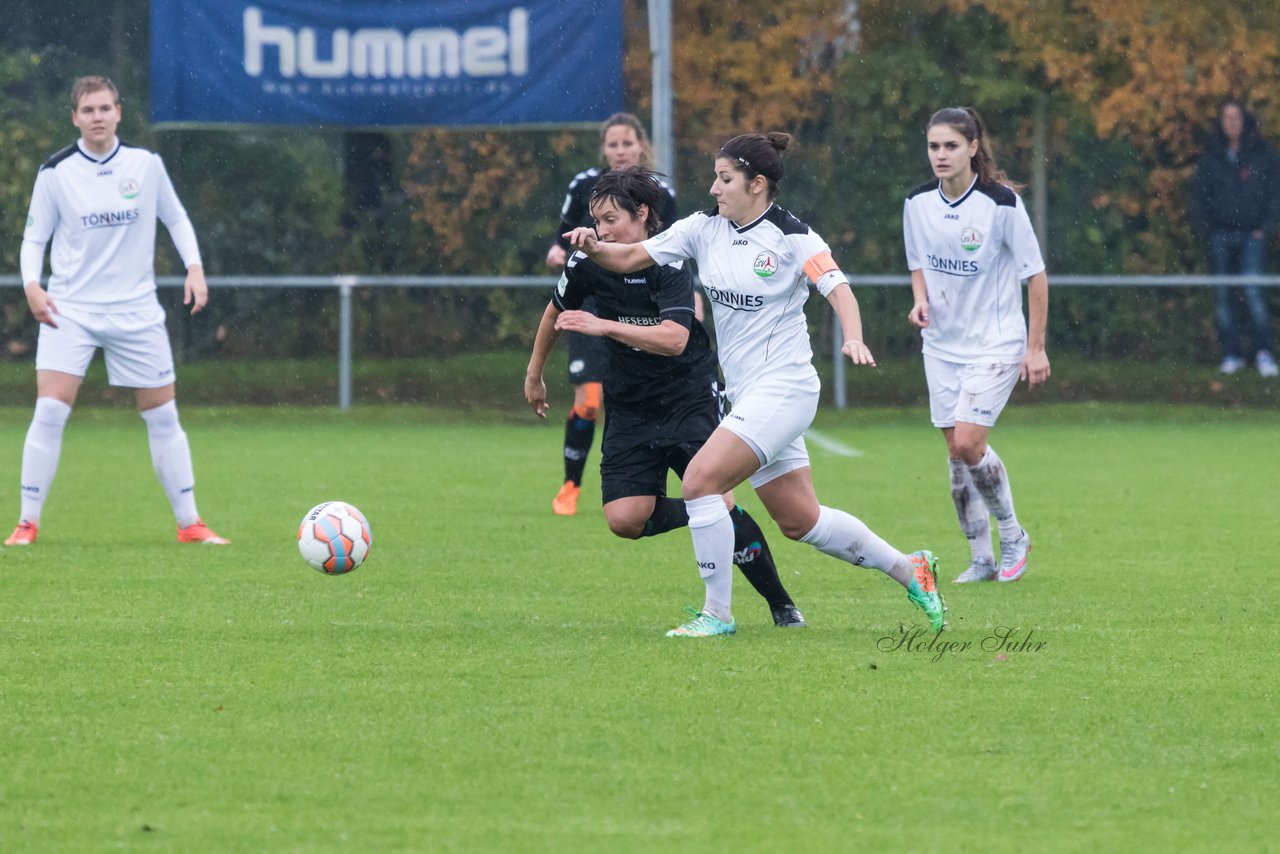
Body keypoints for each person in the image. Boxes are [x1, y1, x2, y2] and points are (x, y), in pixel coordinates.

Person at [565, 133, 945, 638]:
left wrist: (853, 336)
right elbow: (629, 258)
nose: (714, 188)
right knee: (800, 521)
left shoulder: (793, 237)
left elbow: (838, 287)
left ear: (757, 184)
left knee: (701, 481)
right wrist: (594, 245)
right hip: (748, 396)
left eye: (725, 178)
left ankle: (716, 614)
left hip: (786, 388)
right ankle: (908, 567)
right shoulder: (702, 229)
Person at [526, 167, 805, 628]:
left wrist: (604, 325)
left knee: (718, 498)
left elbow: (675, 338)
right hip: (630, 401)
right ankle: (706, 512)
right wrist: (534, 373)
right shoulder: (585, 261)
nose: (602, 231)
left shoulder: (670, 260)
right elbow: (556, 310)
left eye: (612, 219)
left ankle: (781, 604)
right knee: (624, 520)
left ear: (642, 215)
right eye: (597, 221)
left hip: (687, 396)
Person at [8, 76, 228, 546]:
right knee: (49, 411)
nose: (98, 117)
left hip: (136, 312)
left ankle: (190, 523)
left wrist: (195, 267)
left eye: (105, 108)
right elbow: (33, 238)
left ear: (119, 112)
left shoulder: (146, 165)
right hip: (72, 311)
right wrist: (32, 285)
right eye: (88, 110)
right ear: (75, 117)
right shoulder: (55, 172)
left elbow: (176, 217)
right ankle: (27, 523)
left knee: (164, 417)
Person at [902, 106, 1050, 584]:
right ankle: (981, 557)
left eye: (950, 146)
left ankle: (1013, 535)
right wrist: (920, 301)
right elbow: (918, 263)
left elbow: (1035, 275)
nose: (940, 155)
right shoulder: (916, 203)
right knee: (954, 452)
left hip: (996, 341)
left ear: (972, 147)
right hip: (941, 346)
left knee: (969, 443)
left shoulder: (1001, 203)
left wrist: (1036, 347)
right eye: (933, 146)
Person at [543, 113, 678, 516]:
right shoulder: (584, 184)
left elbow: (677, 245)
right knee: (588, 401)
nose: (621, 151)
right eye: (613, 144)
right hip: (591, 303)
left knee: (648, 392)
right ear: (605, 149)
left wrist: (693, 294)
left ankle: (656, 479)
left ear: (641, 147)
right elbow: (563, 232)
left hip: (642, 306)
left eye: (628, 144)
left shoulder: (661, 192)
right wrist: (556, 249)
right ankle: (571, 483)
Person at [1190, 99, 1280, 377]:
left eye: (1236, 117)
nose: (1232, 123)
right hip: (1221, 234)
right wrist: (1207, 228)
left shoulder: (1261, 155)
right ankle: (1231, 354)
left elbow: (1274, 192)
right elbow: (1198, 197)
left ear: (1245, 120)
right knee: (1223, 295)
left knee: (1253, 291)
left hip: (1253, 233)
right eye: (1226, 118)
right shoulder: (1212, 158)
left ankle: (1263, 353)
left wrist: (1265, 226)